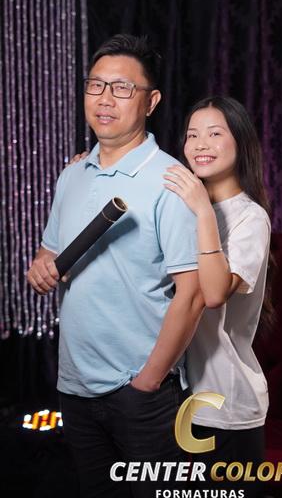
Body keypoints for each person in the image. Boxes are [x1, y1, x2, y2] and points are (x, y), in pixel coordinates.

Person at [26, 34, 203, 498]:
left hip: (140, 394)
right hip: (74, 387)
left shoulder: (171, 181)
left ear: (151, 102)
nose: (105, 98)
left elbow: (193, 294)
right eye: (96, 85)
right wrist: (41, 265)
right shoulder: (72, 174)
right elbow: (50, 253)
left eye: (122, 88)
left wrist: (147, 382)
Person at [163, 96, 272, 497]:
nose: (200, 144)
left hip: (225, 402)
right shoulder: (178, 206)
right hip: (175, 396)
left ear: (241, 142)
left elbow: (213, 294)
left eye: (214, 133)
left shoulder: (250, 218)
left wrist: (204, 211)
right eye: (192, 135)